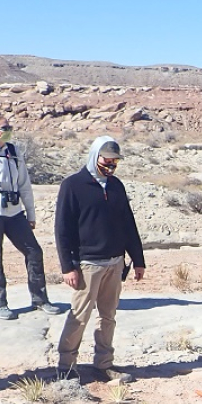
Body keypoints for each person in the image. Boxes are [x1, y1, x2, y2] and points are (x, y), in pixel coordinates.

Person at [54, 136, 146, 382]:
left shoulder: (116, 186)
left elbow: (128, 224)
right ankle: (65, 366)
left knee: (108, 316)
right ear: (95, 156)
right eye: (107, 160)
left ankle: (103, 364)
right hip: (88, 264)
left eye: (115, 161)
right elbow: (62, 230)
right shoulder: (72, 185)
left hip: (115, 263)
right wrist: (68, 266)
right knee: (79, 315)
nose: (111, 166)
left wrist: (138, 259)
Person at [0, 113, 63, 320]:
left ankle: (40, 299)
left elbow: (24, 185)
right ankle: (0, 303)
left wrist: (31, 213)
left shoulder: (15, 152)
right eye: (4, 128)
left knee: (34, 251)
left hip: (14, 211)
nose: (8, 131)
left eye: (9, 127)